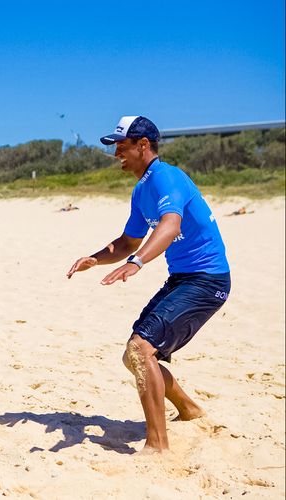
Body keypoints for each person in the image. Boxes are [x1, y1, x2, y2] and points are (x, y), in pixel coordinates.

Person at [66, 116, 231, 453]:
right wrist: (96, 259)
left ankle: (157, 447)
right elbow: (128, 240)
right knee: (135, 356)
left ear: (143, 145)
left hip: (208, 279)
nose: (117, 156)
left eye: (121, 147)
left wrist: (137, 263)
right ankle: (189, 409)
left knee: (140, 350)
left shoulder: (166, 177)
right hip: (184, 278)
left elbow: (170, 226)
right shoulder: (142, 189)